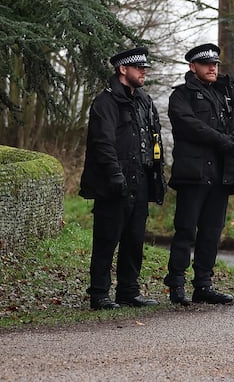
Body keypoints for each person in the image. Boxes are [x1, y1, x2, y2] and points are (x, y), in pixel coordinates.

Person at [164, 43, 234, 305]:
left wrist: (230, 140)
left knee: (212, 232)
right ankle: (176, 284)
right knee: (185, 231)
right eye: (206, 64)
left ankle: (203, 284)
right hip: (194, 175)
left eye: (215, 64)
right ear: (193, 67)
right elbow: (190, 126)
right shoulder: (181, 96)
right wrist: (222, 140)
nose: (212, 68)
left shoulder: (228, 95)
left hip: (222, 176)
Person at [78, 47, 165, 310]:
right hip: (113, 183)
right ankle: (99, 294)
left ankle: (129, 291)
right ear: (123, 70)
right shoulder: (105, 102)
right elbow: (103, 143)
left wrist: (156, 174)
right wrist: (116, 176)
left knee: (134, 239)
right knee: (107, 240)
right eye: (139, 68)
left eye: (145, 68)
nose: (144, 72)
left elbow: (153, 138)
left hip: (140, 179)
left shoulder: (144, 100)